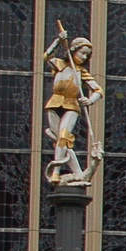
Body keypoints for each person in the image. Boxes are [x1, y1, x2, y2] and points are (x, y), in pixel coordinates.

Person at [41, 24, 102, 185]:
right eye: (82, 53)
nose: (83, 57)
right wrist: (58, 41)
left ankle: (56, 171)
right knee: (63, 142)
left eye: (86, 55)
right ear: (74, 50)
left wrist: (90, 100)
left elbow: (98, 90)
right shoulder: (60, 64)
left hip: (71, 105)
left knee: (63, 136)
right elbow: (45, 57)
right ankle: (78, 173)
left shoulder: (82, 72)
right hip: (55, 103)